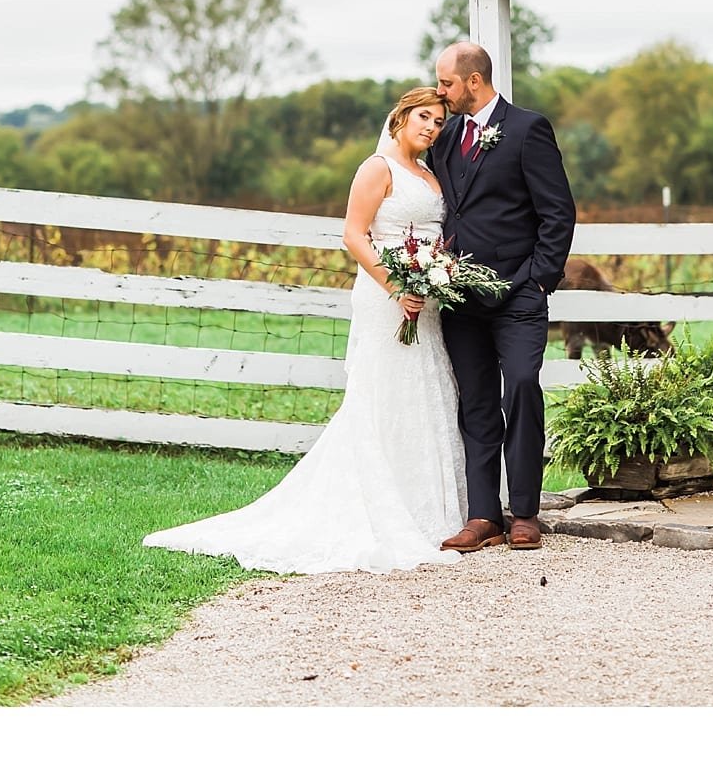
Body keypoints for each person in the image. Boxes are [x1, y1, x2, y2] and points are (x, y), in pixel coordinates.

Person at [142, 88, 469, 573]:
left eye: (439, 122)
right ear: (400, 117)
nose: (431, 127)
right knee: (384, 390)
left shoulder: (430, 175)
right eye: (423, 117)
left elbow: (434, 236)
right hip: (386, 296)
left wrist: (435, 275)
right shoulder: (376, 169)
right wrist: (397, 286)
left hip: (426, 299)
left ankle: (430, 508)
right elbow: (354, 235)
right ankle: (380, 503)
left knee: (427, 388)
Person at [431, 40, 577, 552]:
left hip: (518, 296)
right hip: (460, 301)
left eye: (446, 82)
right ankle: (483, 515)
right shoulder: (444, 137)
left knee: (520, 387)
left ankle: (526, 513)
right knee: (475, 404)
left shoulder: (527, 129)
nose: (441, 91)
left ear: (474, 80)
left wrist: (539, 279)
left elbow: (558, 212)